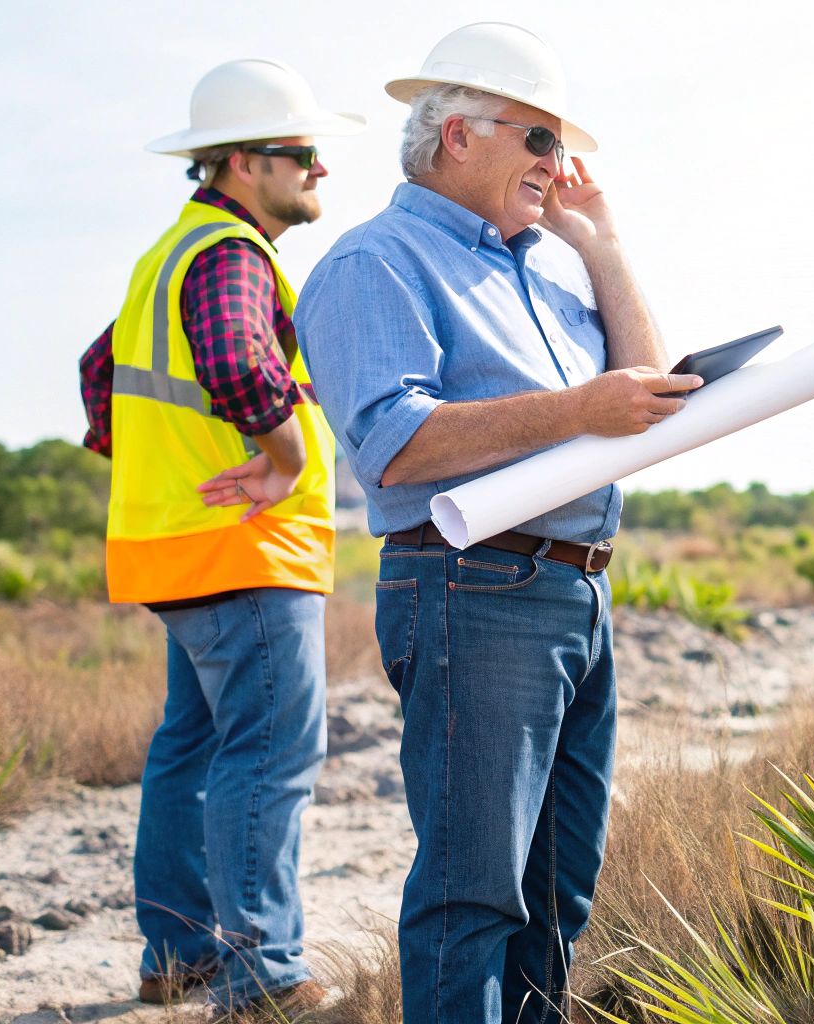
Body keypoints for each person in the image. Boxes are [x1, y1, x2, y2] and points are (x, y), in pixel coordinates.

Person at [295, 23, 702, 1022]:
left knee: (557, 886)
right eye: (537, 140)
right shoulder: (376, 262)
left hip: (575, 591)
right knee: (474, 891)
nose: (555, 167)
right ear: (457, 136)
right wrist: (576, 410)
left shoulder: (542, 271)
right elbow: (393, 442)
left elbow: (642, 393)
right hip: (473, 588)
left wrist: (599, 242)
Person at [76, 58, 362, 1015]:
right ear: (245, 164)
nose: (319, 169)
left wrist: (166, 468)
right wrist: (278, 460)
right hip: (243, 550)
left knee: (190, 748)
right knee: (269, 756)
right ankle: (262, 979)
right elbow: (240, 364)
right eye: (300, 155)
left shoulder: (171, 252)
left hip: (176, 549)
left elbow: (97, 372)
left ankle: (180, 957)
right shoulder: (231, 258)